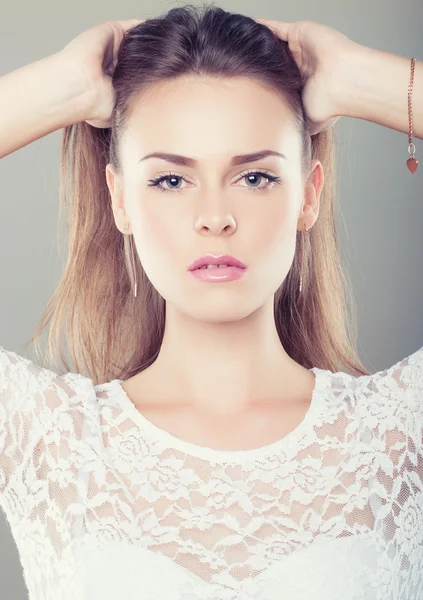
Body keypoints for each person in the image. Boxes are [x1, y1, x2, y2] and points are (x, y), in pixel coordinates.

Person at [0, 4, 422, 599]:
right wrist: (62, 89)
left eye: (255, 177)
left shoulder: (399, 435)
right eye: (171, 180)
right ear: (120, 199)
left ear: (310, 194)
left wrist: (360, 78)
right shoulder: (50, 442)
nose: (216, 218)